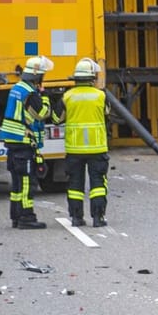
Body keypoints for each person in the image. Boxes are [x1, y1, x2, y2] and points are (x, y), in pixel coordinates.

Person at [2, 55, 55, 228]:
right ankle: (26, 218)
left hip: (14, 142)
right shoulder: (29, 93)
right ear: (37, 76)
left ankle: (16, 216)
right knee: (27, 183)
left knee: (17, 184)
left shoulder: (17, 87)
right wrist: (45, 96)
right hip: (23, 143)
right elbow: (42, 113)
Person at [62, 58, 112, 227]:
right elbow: (107, 114)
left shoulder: (67, 97)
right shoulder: (101, 95)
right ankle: (98, 218)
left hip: (74, 149)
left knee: (75, 184)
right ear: (92, 78)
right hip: (97, 148)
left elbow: (56, 118)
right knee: (98, 184)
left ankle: (76, 218)